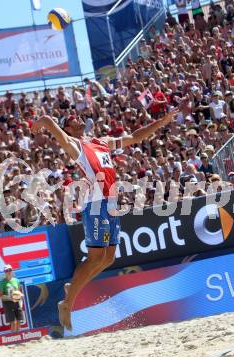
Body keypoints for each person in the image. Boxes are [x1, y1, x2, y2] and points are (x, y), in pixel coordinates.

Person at [31, 109, 177, 331]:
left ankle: (72, 289)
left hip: (111, 204)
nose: (77, 117)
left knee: (108, 258)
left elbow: (136, 136)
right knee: (95, 257)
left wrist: (163, 121)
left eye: (76, 115)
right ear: (68, 128)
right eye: (71, 119)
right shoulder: (74, 146)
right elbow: (51, 124)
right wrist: (41, 122)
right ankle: (67, 304)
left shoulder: (101, 142)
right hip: (96, 205)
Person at [0, 264, 24, 332]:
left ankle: (18, 335)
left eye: (10, 270)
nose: (9, 271)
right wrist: (11, 298)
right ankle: (13, 335)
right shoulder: (2, 283)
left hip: (17, 302)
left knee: (19, 320)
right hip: (8, 303)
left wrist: (21, 296)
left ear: (12, 271)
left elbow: (19, 292)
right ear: (5, 272)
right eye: (7, 270)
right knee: (13, 322)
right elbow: (0, 296)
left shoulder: (16, 280)